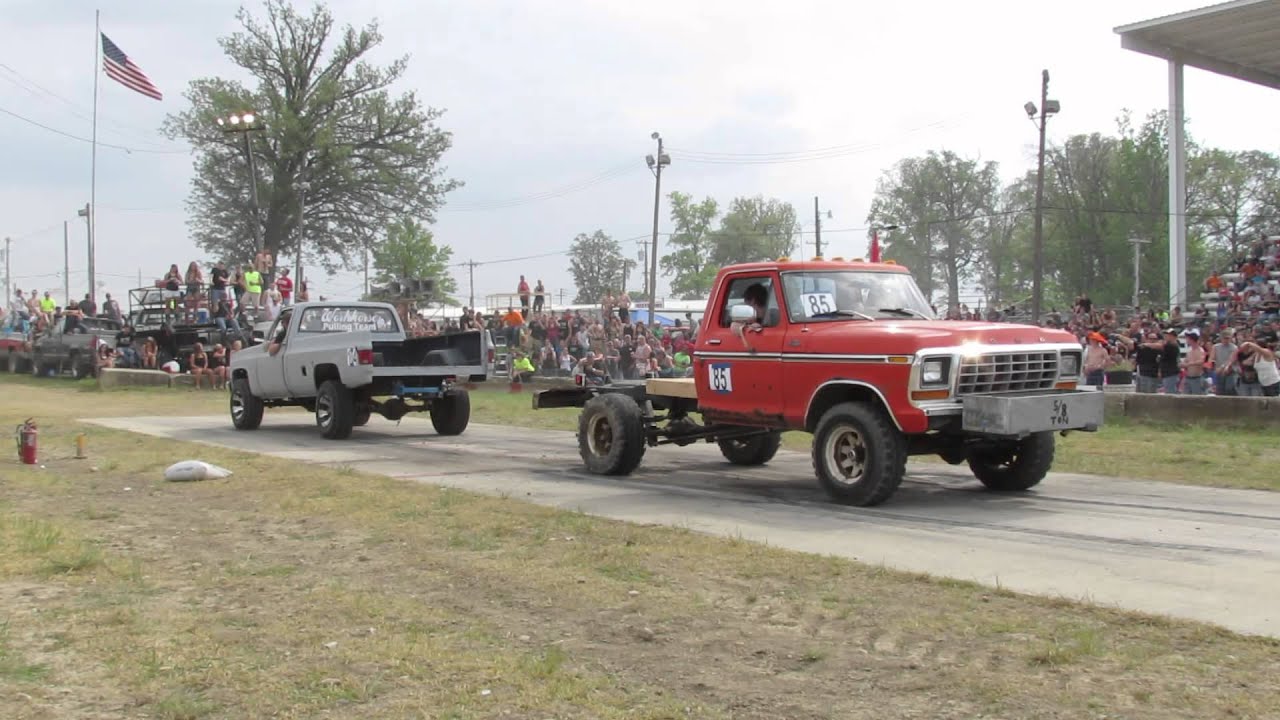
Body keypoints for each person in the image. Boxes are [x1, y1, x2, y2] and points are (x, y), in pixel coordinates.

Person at [731, 282, 769, 347]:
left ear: (752, 300)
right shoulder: (775, 316)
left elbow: (735, 328)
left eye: (745, 300)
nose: (744, 304)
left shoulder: (766, 321)